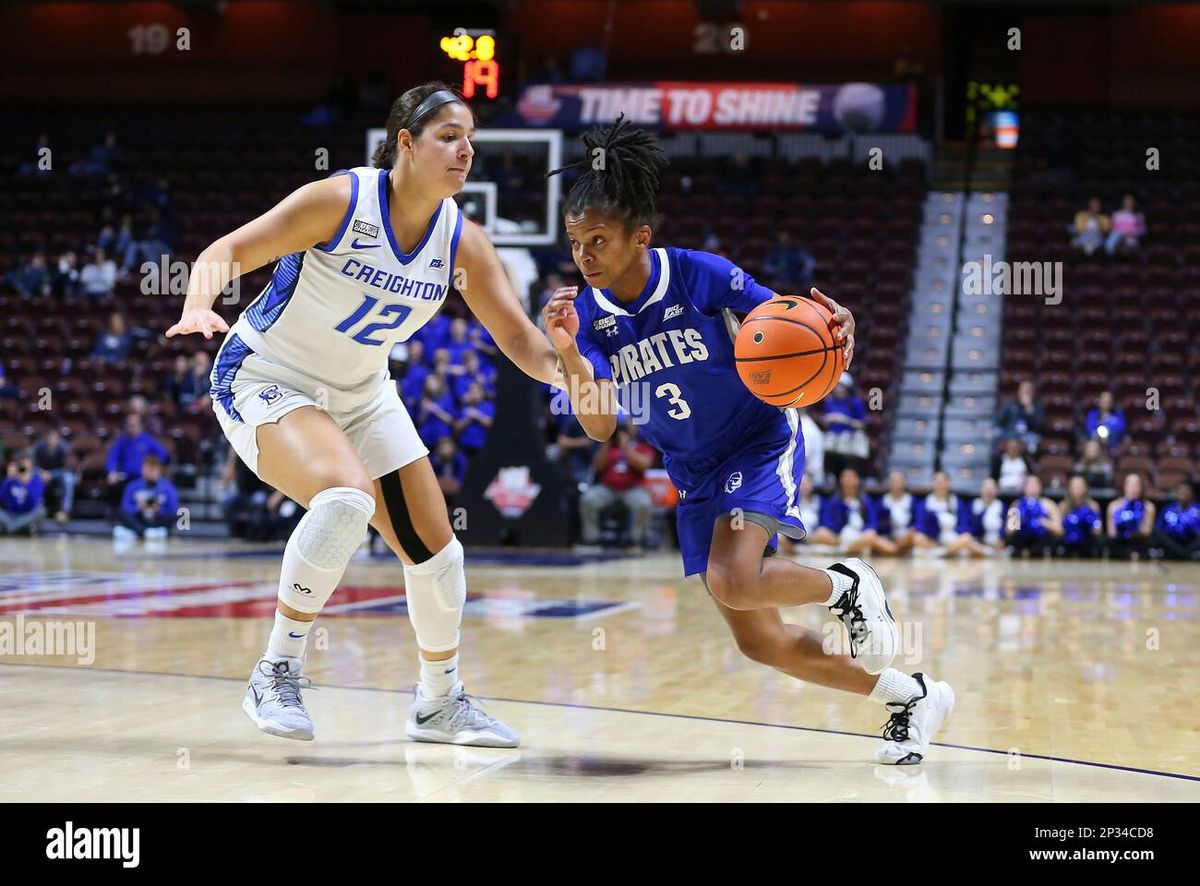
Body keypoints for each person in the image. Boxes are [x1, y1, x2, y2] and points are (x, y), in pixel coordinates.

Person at [542, 114, 951, 765]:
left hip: (757, 437)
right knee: (759, 641)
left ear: (639, 237)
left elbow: (791, 322)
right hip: (692, 466)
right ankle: (912, 696)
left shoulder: (699, 274)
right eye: (576, 242)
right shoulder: (587, 318)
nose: (585, 255)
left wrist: (835, 325)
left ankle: (846, 584)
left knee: (733, 579)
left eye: (598, 240)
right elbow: (598, 424)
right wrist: (566, 351)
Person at [167, 82, 564, 747]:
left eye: (470, 139)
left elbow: (522, 342)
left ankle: (439, 704)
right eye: (447, 136)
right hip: (268, 376)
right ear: (404, 143)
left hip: (361, 394)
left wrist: (574, 372)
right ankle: (277, 669)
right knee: (346, 500)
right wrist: (197, 303)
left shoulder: (462, 241)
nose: (465, 150)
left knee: (439, 555)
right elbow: (227, 252)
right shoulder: (341, 200)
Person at [579, 420, 656, 548]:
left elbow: (643, 465)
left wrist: (625, 448)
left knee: (644, 503)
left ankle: (635, 539)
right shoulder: (610, 446)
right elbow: (597, 465)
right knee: (588, 499)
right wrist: (607, 443)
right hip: (608, 488)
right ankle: (592, 538)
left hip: (633, 488)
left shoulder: (642, 445)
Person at [809, 468, 895, 556]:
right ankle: (851, 549)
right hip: (839, 538)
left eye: (851, 478)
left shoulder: (866, 501)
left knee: (874, 537)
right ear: (841, 481)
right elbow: (826, 521)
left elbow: (873, 522)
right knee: (821, 532)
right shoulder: (834, 501)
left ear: (857, 480)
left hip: (860, 536)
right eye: (845, 478)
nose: (848, 481)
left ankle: (848, 549)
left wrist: (865, 531)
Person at [105, 413, 169, 505]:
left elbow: (163, 454)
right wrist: (111, 472)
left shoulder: (148, 440)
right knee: (113, 486)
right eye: (129, 425)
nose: (131, 427)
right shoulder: (121, 441)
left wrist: (153, 468)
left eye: (134, 425)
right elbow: (112, 457)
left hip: (143, 478)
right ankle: (115, 514)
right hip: (125, 478)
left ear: (140, 425)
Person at [114, 455, 178, 541]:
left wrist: (159, 509)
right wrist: (138, 508)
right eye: (148, 469)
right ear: (142, 469)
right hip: (139, 519)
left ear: (159, 470)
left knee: (177, 514)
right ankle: (145, 532)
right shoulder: (133, 486)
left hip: (157, 519)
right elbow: (125, 506)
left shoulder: (168, 487)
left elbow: (173, 509)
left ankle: (141, 533)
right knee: (121, 512)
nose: (151, 473)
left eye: (153, 469)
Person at [820, 373, 869, 478]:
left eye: (841, 386)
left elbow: (862, 424)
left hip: (849, 444)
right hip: (833, 444)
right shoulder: (829, 401)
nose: (839, 389)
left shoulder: (855, 402)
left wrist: (845, 420)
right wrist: (828, 419)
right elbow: (824, 422)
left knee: (848, 473)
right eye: (837, 385)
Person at [1006, 475, 1062, 556]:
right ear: (1024, 488)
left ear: (1041, 487)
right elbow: (1008, 532)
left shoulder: (1049, 504)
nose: (1032, 487)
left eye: (1035, 485)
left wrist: (1044, 522)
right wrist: (1019, 521)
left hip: (1041, 542)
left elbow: (1060, 531)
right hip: (1021, 540)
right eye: (1029, 485)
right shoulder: (1016, 504)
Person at [950, 477, 1006, 557]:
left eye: (992, 489)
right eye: (986, 489)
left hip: (994, 545)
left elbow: (1006, 528)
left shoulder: (1001, 506)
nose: (989, 492)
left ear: (997, 491)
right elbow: (965, 523)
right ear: (981, 490)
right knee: (965, 540)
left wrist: (1002, 539)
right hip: (975, 542)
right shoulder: (973, 504)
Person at [1105, 472, 1155, 560]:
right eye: (1130, 485)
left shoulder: (1148, 506)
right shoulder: (1114, 505)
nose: (1133, 488)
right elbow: (1111, 533)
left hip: (1139, 541)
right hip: (1119, 542)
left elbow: (1147, 531)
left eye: (1136, 485)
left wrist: (1133, 529)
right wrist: (1124, 530)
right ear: (1125, 486)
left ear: (1141, 488)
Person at [911, 471, 963, 552]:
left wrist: (957, 534)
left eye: (943, 482)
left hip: (952, 537)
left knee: (966, 538)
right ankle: (940, 551)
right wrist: (930, 535)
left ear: (949, 483)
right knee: (917, 537)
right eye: (938, 482)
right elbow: (920, 523)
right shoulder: (924, 503)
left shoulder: (956, 502)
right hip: (931, 539)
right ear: (933, 484)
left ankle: (942, 552)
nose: (940, 485)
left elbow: (963, 523)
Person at [0, 450, 46, 536]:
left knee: (41, 511)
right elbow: (2, 498)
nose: (23, 467)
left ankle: (10, 528)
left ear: (31, 465)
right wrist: (8, 480)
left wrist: (27, 484)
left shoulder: (36, 479)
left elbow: (35, 502)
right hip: (10, 515)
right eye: (20, 464)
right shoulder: (10, 479)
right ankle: (14, 528)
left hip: (26, 516)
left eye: (25, 463)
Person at [33, 428, 75, 522]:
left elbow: (67, 468)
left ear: (58, 438)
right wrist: (41, 472)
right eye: (49, 437)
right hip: (42, 473)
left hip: (59, 474)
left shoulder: (64, 448)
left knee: (69, 478)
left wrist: (51, 474)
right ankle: (35, 509)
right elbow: (33, 464)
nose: (51, 439)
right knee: (33, 477)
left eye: (53, 437)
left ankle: (65, 510)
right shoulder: (39, 447)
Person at [1058, 475, 1104, 558]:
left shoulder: (1093, 506)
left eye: (1080, 485)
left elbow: (1098, 529)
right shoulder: (1063, 506)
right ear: (1069, 488)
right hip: (1067, 541)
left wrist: (1091, 524)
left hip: (1087, 540)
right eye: (1075, 486)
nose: (1077, 488)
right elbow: (1059, 529)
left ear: (1085, 488)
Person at [994, 380, 1043, 456]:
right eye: (1023, 390)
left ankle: (1028, 462)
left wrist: (1029, 410)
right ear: (1019, 391)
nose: (1025, 393)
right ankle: (997, 462)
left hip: (1027, 435)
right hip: (1010, 433)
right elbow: (999, 420)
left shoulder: (1037, 407)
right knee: (996, 433)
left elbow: (1039, 427)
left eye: (1028, 391)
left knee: (1034, 440)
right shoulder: (1009, 404)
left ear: (1033, 393)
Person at [1154, 481, 1200, 561]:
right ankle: (1180, 553)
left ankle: (1186, 554)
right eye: (1181, 490)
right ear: (1176, 492)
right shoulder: (1168, 508)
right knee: (1160, 535)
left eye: (1186, 490)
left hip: (1191, 543)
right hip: (1171, 544)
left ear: (1192, 493)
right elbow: (1158, 528)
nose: (1183, 492)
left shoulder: (1197, 509)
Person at [877, 470, 918, 554]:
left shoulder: (911, 500)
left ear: (904, 482)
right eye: (893, 481)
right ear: (889, 483)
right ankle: (896, 550)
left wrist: (912, 530)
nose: (896, 483)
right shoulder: (882, 501)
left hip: (905, 537)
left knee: (914, 536)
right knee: (872, 538)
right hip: (888, 538)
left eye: (899, 480)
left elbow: (917, 521)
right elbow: (877, 522)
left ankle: (893, 550)